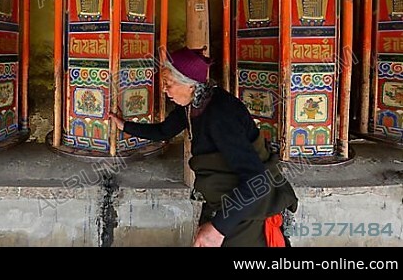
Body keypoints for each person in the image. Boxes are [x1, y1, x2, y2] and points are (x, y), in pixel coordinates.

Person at [109, 47, 298, 247]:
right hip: (224, 203)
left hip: (247, 212)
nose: (164, 89)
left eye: (168, 83)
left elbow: (256, 180)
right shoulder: (193, 104)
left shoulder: (221, 116)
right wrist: (125, 126)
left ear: (190, 85)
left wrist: (218, 228)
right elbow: (164, 131)